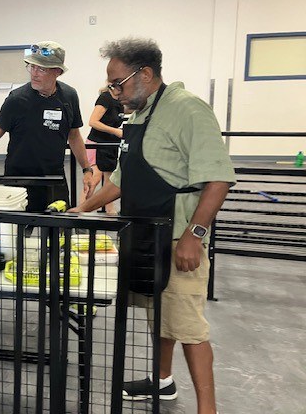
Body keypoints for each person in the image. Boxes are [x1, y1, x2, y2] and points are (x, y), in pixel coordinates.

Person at [70, 38, 235, 414]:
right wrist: (81, 210)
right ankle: (162, 382)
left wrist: (194, 236)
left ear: (144, 73)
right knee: (158, 315)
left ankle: (207, 409)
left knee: (188, 326)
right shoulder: (141, 115)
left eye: (118, 83)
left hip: (177, 238)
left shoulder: (187, 109)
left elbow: (219, 178)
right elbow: (119, 182)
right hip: (143, 235)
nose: (114, 92)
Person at [0, 41, 97, 211]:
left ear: (58, 71)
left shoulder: (69, 96)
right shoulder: (17, 100)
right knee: (17, 233)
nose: (34, 73)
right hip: (19, 180)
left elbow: (74, 135)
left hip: (54, 178)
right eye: (31, 67)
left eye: (41, 69)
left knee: (58, 231)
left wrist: (87, 169)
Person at [84, 86, 124, 214]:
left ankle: (109, 209)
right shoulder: (105, 98)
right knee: (94, 178)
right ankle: (81, 211)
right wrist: (115, 131)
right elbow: (93, 121)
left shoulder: (120, 101)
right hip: (97, 143)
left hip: (110, 144)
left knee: (110, 179)